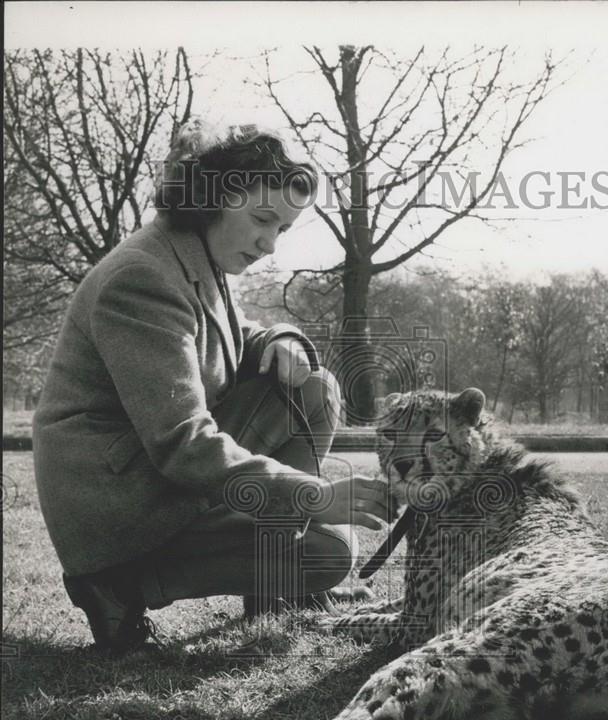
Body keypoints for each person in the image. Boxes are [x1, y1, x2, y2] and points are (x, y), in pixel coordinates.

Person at [32, 120, 390, 653]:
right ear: (213, 197)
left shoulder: (197, 255)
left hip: (151, 475)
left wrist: (279, 338)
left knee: (312, 387)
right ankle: (121, 584)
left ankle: (273, 590)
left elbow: (224, 337)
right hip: (118, 497)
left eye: (282, 229)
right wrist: (313, 497)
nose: (269, 243)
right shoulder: (143, 275)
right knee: (326, 552)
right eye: (262, 220)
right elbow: (184, 444)